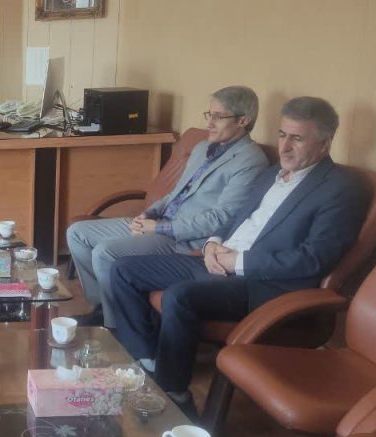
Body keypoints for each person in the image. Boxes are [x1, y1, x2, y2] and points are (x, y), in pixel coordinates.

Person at [110, 97, 367, 410]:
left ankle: (174, 395)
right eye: (282, 135)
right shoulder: (271, 174)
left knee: (179, 296)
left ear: (325, 144)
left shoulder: (340, 189)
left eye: (297, 139)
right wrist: (212, 244)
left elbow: (314, 258)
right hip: (217, 261)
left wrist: (238, 261)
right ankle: (147, 362)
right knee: (122, 269)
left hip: (261, 284)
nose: (285, 147)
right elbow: (234, 219)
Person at [66, 86, 269, 329]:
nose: (209, 123)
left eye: (218, 116)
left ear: (243, 121)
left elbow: (221, 218)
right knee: (77, 233)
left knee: (105, 252)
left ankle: (113, 327)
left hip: (184, 240)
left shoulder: (250, 161)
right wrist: (149, 213)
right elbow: (176, 193)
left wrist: (158, 228)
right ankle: (103, 306)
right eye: (209, 114)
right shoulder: (203, 148)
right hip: (160, 222)